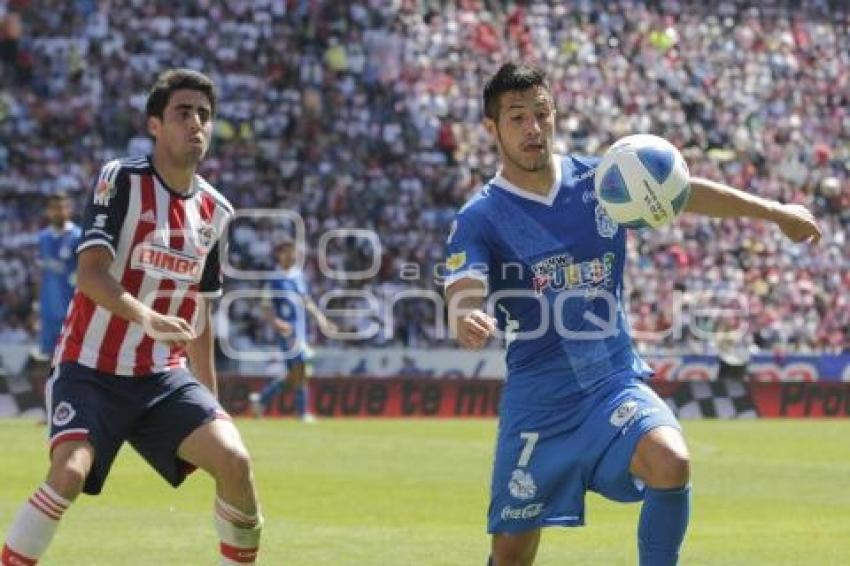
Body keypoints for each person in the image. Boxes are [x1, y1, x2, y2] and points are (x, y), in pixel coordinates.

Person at [443, 62, 821, 566]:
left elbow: (682, 189)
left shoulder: (602, 180)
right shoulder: (481, 216)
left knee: (671, 461)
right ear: (492, 129)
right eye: (517, 117)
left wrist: (774, 212)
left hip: (611, 384)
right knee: (511, 554)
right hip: (539, 404)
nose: (533, 127)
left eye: (542, 113)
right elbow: (463, 287)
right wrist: (465, 314)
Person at [1, 69, 263, 566]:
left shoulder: (216, 210)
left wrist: (210, 397)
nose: (196, 123)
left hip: (162, 375)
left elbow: (200, 308)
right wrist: (149, 318)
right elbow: (90, 274)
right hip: (89, 367)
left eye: (204, 114)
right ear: (155, 125)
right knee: (69, 473)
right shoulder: (120, 179)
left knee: (235, 462)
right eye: (183, 113)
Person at [249, 239, 335, 421]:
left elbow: (306, 301)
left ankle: (262, 399)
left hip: (301, 331)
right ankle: (302, 413)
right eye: (288, 252)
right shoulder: (274, 279)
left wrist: (322, 320)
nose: (292, 256)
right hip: (287, 332)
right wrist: (276, 322)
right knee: (301, 368)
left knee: (296, 373)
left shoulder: (297, 276)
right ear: (280, 255)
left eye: (294, 252)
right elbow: (265, 306)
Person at [35, 193, 81, 360]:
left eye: (62, 207)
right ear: (48, 211)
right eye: (54, 208)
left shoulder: (78, 236)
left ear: (69, 209)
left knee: (70, 357)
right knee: (48, 357)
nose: (58, 212)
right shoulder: (42, 237)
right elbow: (39, 272)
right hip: (48, 309)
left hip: (72, 309)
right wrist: (36, 304)